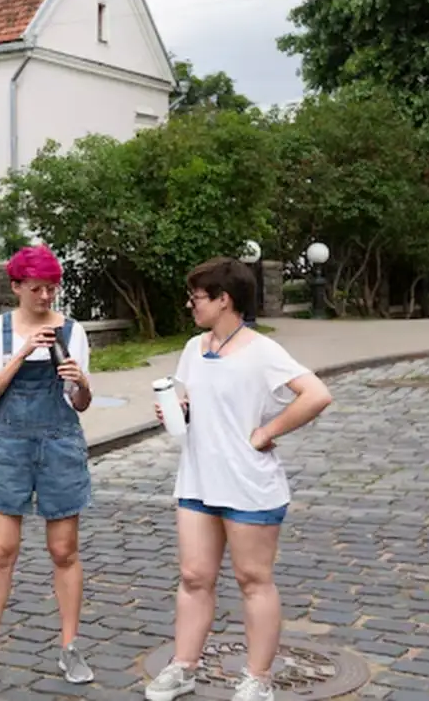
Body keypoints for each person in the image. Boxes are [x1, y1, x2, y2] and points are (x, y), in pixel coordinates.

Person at [144, 257, 333, 701]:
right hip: (198, 480)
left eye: (196, 297)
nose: (190, 305)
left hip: (248, 485)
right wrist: (179, 411)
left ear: (224, 299)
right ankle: (184, 666)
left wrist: (266, 432)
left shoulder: (262, 351)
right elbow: (198, 402)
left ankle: (258, 678)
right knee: (194, 576)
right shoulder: (194, 348)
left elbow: (317, 394)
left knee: (253, 579)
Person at [0, 245, 96, 686]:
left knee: (63, 549)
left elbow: (81, 404)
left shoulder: (72, 331)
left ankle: (70, 647)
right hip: (8, 445)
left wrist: (81, 382)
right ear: (16, 286)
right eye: (37, 288)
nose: (46, 296)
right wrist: (21, 354)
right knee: (1, 549)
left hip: (59, 443)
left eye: (52, 288)